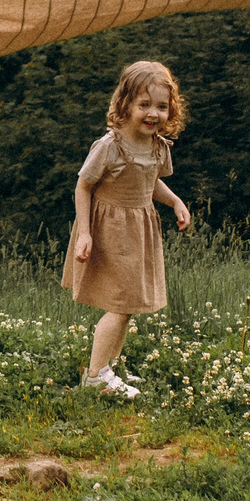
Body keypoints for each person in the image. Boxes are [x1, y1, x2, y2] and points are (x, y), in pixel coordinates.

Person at [61, 60, 193, 398]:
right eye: (144, 104)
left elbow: (149, 182)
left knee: (129, 304)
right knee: (121, 305)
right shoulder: (110, 146)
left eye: (161, 106)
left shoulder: (157, 146)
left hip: (139, 231)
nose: (153, 114)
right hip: (110, 232)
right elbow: (83, 186)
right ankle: (95, 377)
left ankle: (108, 367)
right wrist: (86, 232)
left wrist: (175, 201)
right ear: (125, 104)